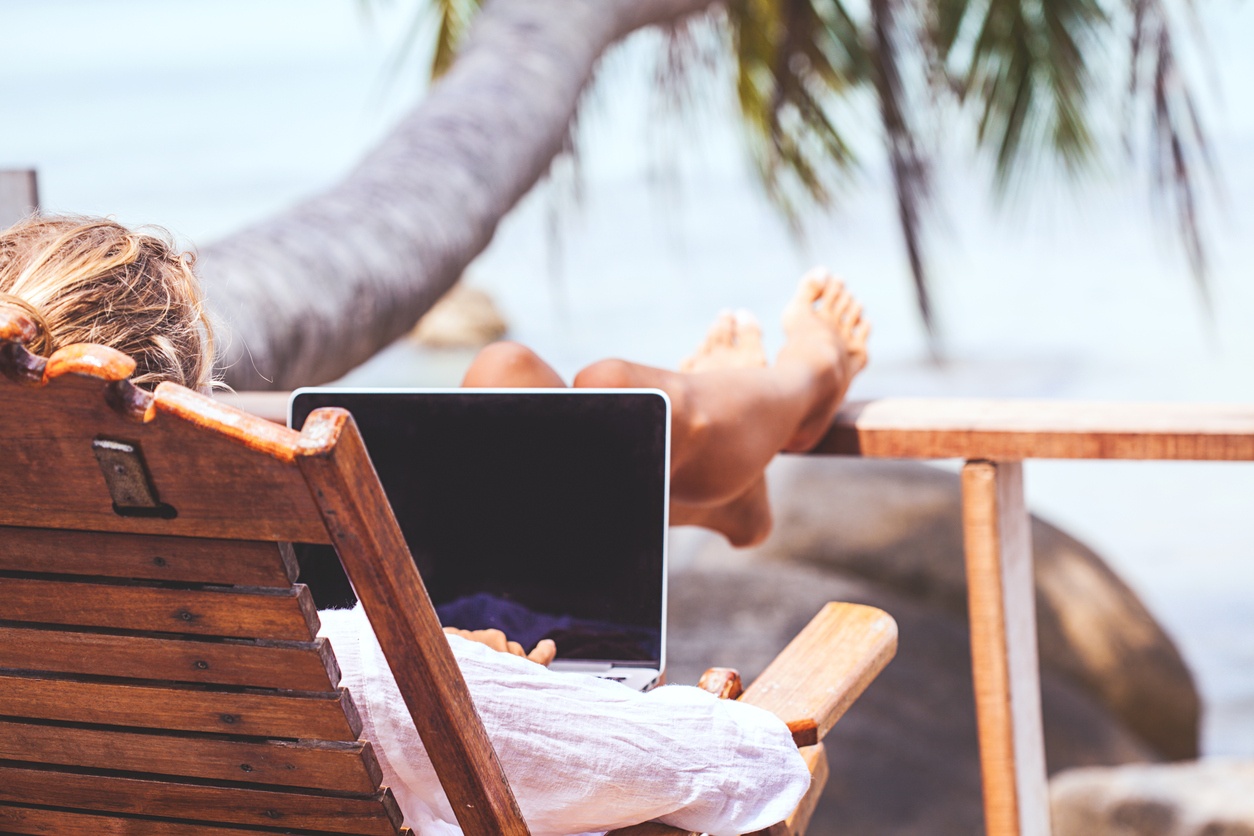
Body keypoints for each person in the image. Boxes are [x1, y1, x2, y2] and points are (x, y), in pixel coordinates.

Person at [0, 215, 870, 835]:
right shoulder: (353, 680)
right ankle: (794, 390)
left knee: (509, 373)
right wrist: (475, 679)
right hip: (424, 712)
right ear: (179, 416)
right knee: (553, 384)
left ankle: (726, 454)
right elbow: (743, 769)